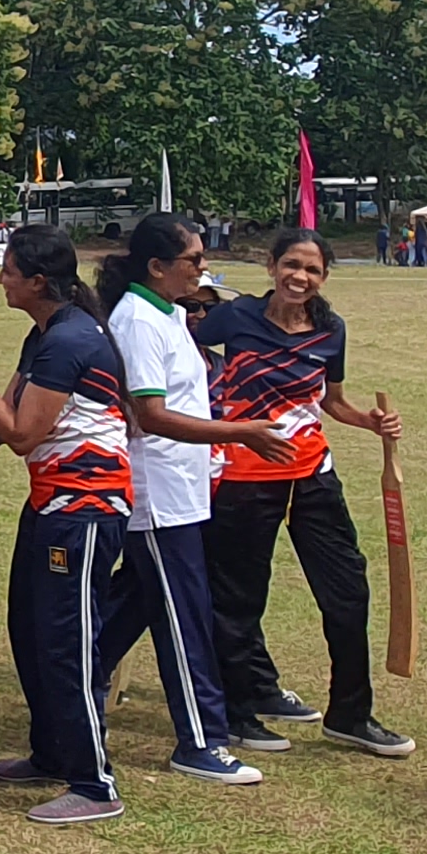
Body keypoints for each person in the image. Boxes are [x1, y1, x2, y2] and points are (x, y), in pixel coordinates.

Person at [0, 225, 138, 825]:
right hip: (52, 502)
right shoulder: (45, 334)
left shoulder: (70, 340)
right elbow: (3, 422)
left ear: (39, 281)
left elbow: (21, 434)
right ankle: (53, 752)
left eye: (10, 271)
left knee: (69, 641)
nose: (1, 280)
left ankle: (94, 783)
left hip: (86, 508)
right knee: (32, 629)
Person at [84, 213, 289, 787]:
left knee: (136, 604)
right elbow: (149, 415)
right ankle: (200, 740)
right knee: (185, 616)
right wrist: (240, 433)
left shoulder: (171, 314)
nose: (202, 268)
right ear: (157, 266)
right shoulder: (137, 321)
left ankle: (70, 693)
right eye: (194, 259)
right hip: (158, 493)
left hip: (183, 489)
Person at [198, 228, 415, 757]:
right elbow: (184, 351)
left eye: (312, 270)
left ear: (324, 277)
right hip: (245, 477)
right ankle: (238, 712)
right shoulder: (235, 317)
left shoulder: (330, 329)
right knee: (240, 597)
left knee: (348, 592)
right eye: (291, 265)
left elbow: (331, 401)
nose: (300, 277)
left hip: (312, 476)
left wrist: (369, 421)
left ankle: (350, 715)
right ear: (271, 267)